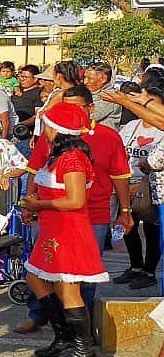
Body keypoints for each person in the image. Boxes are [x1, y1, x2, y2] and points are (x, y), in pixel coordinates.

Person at [17, 85, 132, 333]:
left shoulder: (103, 138)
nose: (70, 113)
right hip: (54, 220)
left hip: (92, 215)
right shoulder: (53, 140)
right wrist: (30, 202)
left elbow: (120, 175)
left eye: (77, 107)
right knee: (44, 273)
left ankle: (79, 335)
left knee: (78, 281)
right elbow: (34, 171)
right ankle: (49, 322)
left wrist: (125, 211)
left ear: (91, 108)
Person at [18, 101, 108, 357]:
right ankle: (63, 337)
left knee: (69, 290)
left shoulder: (72, 159)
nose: (43, 128)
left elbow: (76, 200)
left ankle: (83, 348)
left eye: (46, 124)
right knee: (36, 278)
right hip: (53, 230)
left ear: (56, 130)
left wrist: (38, 204)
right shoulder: (57, 155)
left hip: (68, 231)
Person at [118, 87, 164, 290]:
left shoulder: (160, 129)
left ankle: (149, 271)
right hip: (126, 185)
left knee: (152, 230)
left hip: (150, 187)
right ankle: (135, 267)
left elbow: (155, 160)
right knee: (128, 227)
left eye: (151, 102)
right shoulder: (131, 126)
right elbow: (118, 151)